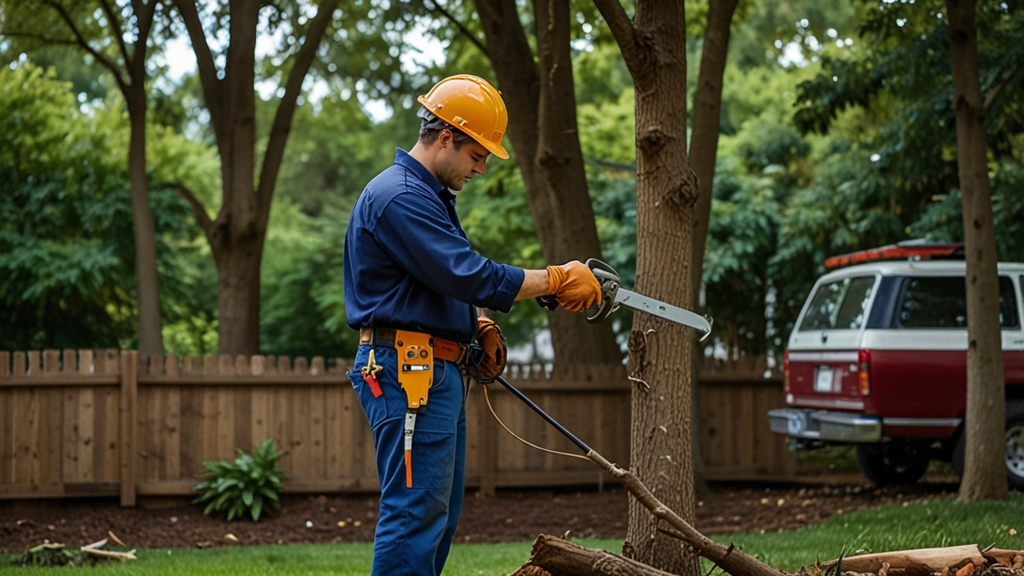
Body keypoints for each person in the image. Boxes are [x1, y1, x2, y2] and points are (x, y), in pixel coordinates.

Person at [342, 74, 602, 576]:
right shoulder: (400, 197)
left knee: (436, 518)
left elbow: (441, 282)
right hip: (409, 373)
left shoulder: (426, 196)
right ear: (445, 138)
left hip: (432, 371)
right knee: (414, 515)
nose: (480, 169)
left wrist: (474, 324)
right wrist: (553, 278)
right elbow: (470, 275)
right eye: (477, 155)